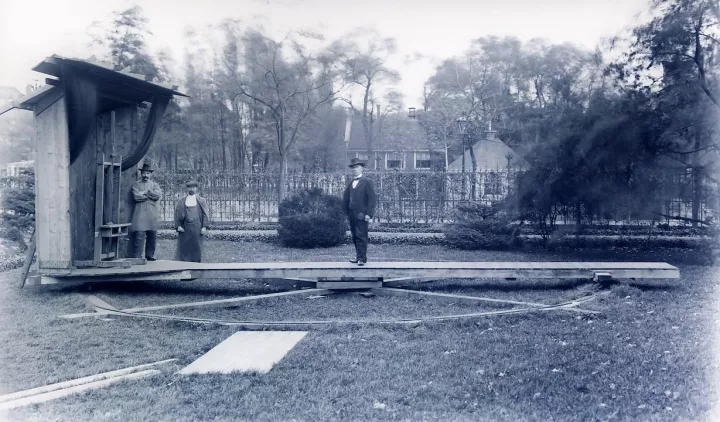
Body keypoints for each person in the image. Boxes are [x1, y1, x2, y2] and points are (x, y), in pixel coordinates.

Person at [342, 157, 377, 266]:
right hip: (352, 215)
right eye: (353, 167)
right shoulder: (351, 182)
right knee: (355, 236)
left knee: (362, 236)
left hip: (362, 215)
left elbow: (372, 199)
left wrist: (369, 214)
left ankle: (362, 258)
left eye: (357, 167)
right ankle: (358, 257)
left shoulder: (366, 182)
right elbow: (346, 198)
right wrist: (346, 213)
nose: (354, 169)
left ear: (362, 168)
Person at [130, 162, 162, 261]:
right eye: (144, 173)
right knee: (139, 234)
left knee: (152, 234)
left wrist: (145, 193)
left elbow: (157, 196)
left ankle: (150, 255)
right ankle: (137, 256)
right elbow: (136, 197)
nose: (145, 175)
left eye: (148, 173)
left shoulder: (155, 185)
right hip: (140, 212)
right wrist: (149, 195)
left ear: (151, 174)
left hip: (152, 212)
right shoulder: (136, 184)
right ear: (141, 174)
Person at [174, 180, 210, 262]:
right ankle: (184, 265)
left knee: (197, 247)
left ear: (196, 188)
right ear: (187, 189)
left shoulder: (201, 201)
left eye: (193, 187)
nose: (191, 189)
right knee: (184, 247)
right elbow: (177, 214)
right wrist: (178, 226)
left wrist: (204, 227)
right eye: (189, 187)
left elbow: (205, 214)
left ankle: (196, 265)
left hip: (197, 226)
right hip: (185, 227)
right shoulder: (182, 201)